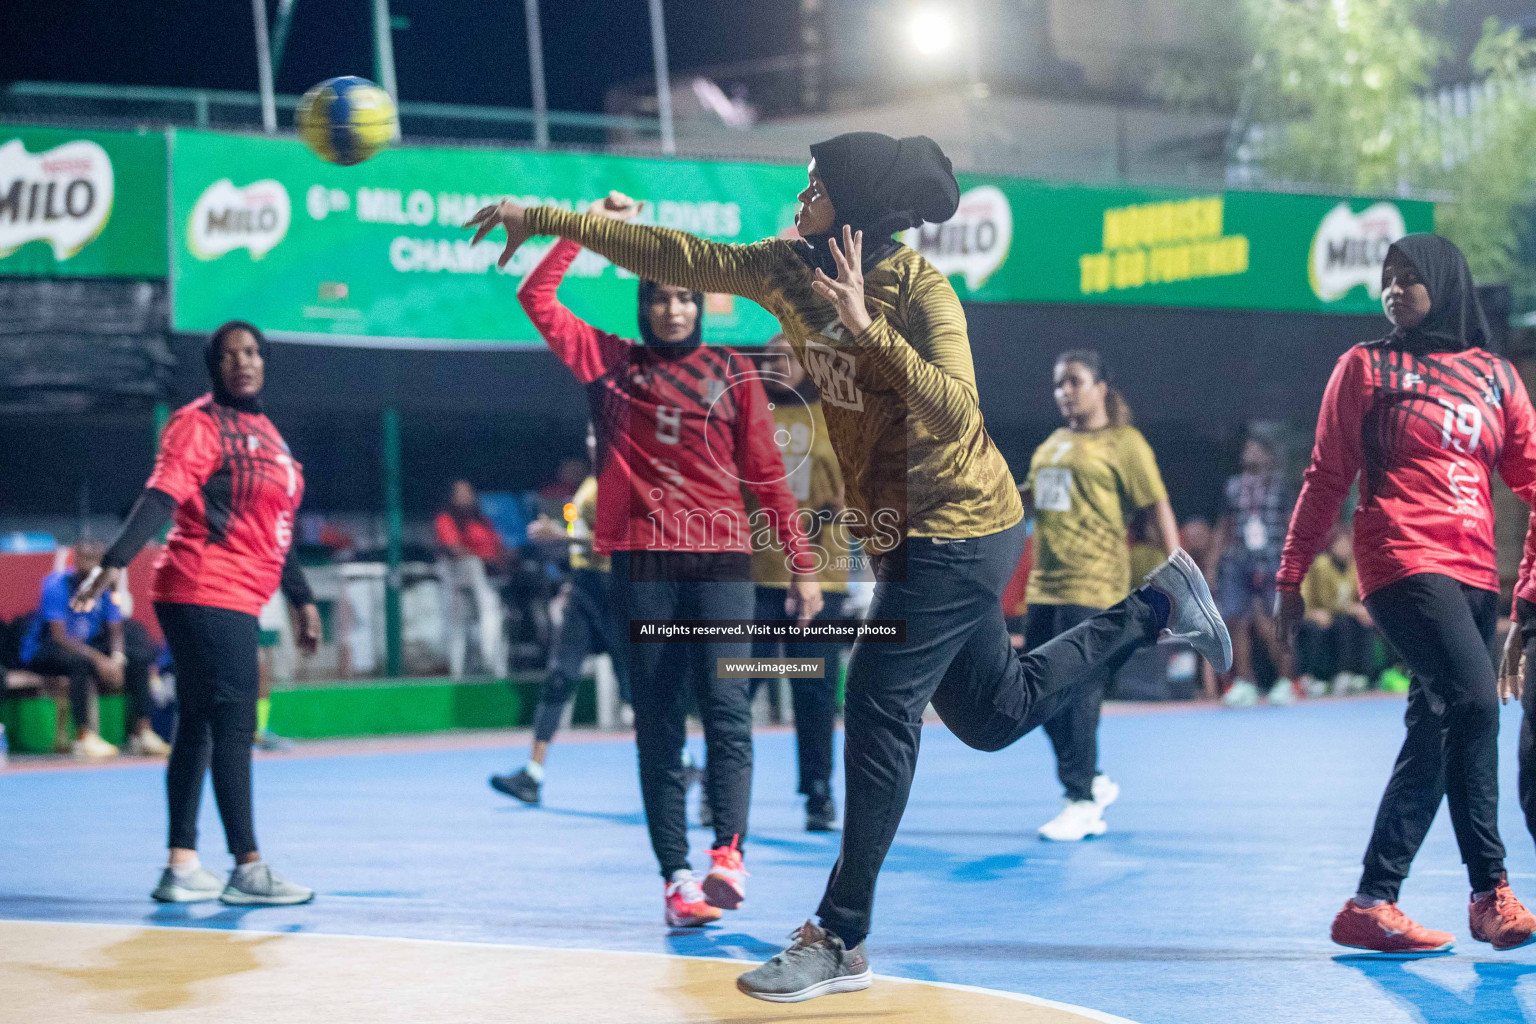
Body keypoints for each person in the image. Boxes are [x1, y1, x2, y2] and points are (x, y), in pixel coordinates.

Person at [465, 130, 1231, 1001]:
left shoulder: (920, 291)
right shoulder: (785, 267)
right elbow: (677, 251)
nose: (800, 198)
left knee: (875, 703)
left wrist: (870, 333)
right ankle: (1159, 604)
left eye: (814, 186)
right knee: (993, 713)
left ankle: (840, 935)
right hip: (905, 533)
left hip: (963, 523)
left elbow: (957, 414)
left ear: (854, 208)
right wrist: (545, 215)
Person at [505, 196, 823, 930]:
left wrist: (802, 568)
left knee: (727, 706)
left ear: (697, 305)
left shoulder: (729, 373)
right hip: (643, 567)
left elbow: (767, 477)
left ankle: (728, 856)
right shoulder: (610, 364)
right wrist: (581, 225)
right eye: (659, 298)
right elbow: (536, 297)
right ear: (643, 303)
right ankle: (677, 879)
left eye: (683, 297)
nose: (673, 310)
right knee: (658, 723)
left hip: (722, 565)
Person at [1276, 234, 1536, 955]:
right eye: (1385, 278)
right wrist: (1290, 576)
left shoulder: (1496, 378)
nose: (1393, 288)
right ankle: (1491, 892)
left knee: (1435, 729)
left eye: (1409, 276)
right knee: (1478, 704)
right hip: (1401, 557)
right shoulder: (1365, 366)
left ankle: (1372, 902)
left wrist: (1528, 593)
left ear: (1447, 283)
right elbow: (1326, 474)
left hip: (1475, 571)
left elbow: (1535, 478)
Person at [72, 319, 322, 907]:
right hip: (206, 586)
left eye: (254, 351)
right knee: (234, 726)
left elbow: (274, 530)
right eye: (231, 354)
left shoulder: (268, 434)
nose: (244, 361)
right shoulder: (201, 424)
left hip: (236, 590)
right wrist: (115, 560)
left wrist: (302, 596)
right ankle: (248, 868)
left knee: (200, 726)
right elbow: (164, 492)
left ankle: (182, 866)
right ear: (215, 367)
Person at [1020, 349, 1177, 842]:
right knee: (1031, 695)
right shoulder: (1053, 443)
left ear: (1101, 387)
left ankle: (1081, 800)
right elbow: (1034, 499)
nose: (1064, 391)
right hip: (1044, 584)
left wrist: (1179, 573)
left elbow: (1157, 506)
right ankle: (1091, 777)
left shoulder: (1124, 443)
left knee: (1079, 690)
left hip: (1095, 584)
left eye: (1074, 381)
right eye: (1058, 384)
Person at [492, 427, 632, 804]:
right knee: (560, 676)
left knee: (634, 687)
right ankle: (532, 775)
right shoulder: (595, 479)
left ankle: (681, 761)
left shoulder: (622, 479)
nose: (591, 441)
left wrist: (560, 535)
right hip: (586, 589)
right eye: (588, 435)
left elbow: (620, 540)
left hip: (617, 592)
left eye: (598, 435)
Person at [747, 333, 849, 832]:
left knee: (814, 689)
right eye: (770, 358)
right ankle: (722, 788)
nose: (778, 364)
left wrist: (839, 510)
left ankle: (818, 793)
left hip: (819, 581)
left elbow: (861, 491)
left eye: (788, 357)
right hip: (756, 576)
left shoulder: (836, 417)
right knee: (738, 685)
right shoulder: (751, 413)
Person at [20, 541, 168, 759]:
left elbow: (116, 629)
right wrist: (100, 660)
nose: (87, 564)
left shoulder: (105, 586)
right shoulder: (55, 585)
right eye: (83, 557)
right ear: (75, 558)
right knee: (79, 663)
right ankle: (83, 736)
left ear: (101, 562)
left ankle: (142, 732)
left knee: (136, 658)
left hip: (88, 649)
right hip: (46, 650)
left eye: (93, 559)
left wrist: (117, 658)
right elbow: (59, 636)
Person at [1211, 437, 1296, 708]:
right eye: (1246, 448)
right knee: (1236, 619)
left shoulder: (1280, 486)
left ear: (1269, 455)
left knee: (1277, 621)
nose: (1250, 452)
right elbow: (1224, 525)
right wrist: (1213, 564)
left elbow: (1291, 522)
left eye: (1257, 448)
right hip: (1239, 560)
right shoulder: (1232, 486)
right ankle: (1245, 682)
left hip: (1273, 558)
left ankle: (1285, 682)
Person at [435, 480, 509, 680]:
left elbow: (499, 548)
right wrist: (480, 558)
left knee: (495, 615)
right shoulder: (446, 519)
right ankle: (467, 668)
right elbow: (453, 549)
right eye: (460, 493)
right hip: (461, 578)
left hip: (491, 578)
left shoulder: (482, 521)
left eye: (468, 493)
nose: (466, 497)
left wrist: (500, 560)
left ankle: (493, 665)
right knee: (463, 625)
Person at [1296, 523, 1377, 696]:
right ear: (1332, 545)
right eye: (1341, 544)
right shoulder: (1321, 565)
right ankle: (1313, 678)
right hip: (1312, 611)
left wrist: (1361, 609)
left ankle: (1358, 674)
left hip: (1339, 614)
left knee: (1363, 622)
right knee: (1337, 625)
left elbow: (1357, 594)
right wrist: (1353, 609)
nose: (1345, 548)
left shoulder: (1352, 566)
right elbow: (1327, 602)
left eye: (1348, 544)